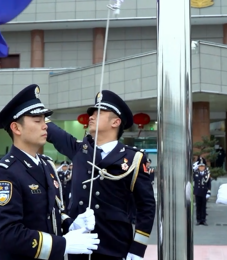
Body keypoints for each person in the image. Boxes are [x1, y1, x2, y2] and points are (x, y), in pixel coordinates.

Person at [0, 84, 100, 260]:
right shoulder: (5, 173)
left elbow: (51, 212)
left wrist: (71, 224)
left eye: (44, 120)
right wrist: (62, 244)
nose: (45, 126)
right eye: (37, 121)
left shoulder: (46, 165)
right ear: (16, 128)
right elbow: (8, 234)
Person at [45, 89, 156, 260]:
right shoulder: (79, 150)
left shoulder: (133, 159)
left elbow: (146, 206)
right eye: (91, 112)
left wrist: (137, 248)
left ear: (116, 122)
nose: (91, 116)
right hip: (79, 248)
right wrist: (33, 111)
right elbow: (51, 129)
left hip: (114, 248)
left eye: (99, 112)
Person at [193, 161, 211, 226]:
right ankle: (198, 220)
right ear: (198, 167)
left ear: (204, 167)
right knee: (198, 207)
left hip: (204, 192)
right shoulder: (195, 173)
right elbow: (193, 182)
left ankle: (203, 220)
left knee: (203, 207)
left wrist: (208, 192)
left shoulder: (207, 174)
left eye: (202, 166)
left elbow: (209, 184)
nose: (201, 167)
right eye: (200, 166)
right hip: (198, 192)